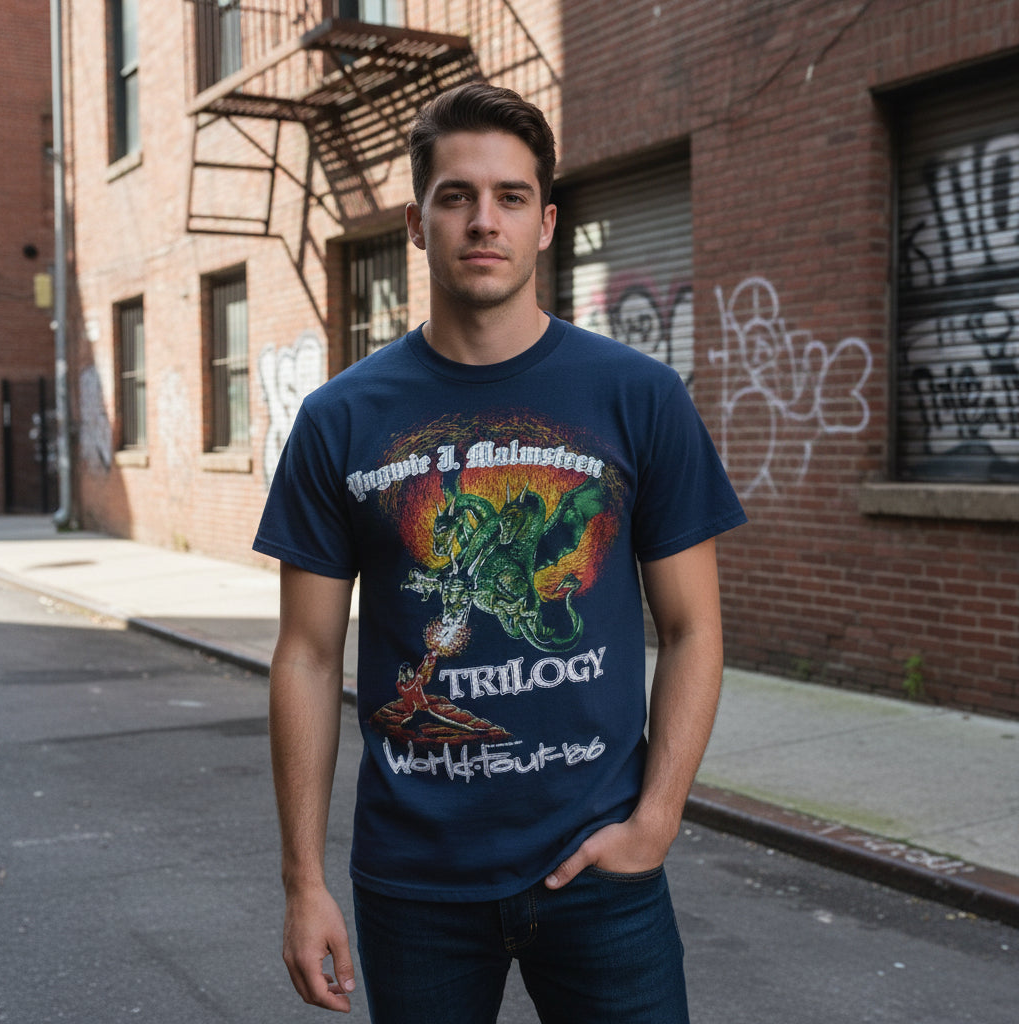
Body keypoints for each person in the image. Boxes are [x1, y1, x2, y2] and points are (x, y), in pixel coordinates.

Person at [253, 81, 746, 1023]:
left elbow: (692, 629)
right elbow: (307, 655)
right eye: (457, 196)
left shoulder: (638, 398)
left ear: (547, 221)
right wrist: (301, 881)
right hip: (414, 884)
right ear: (416, 220)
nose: (485, 221)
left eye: (511, 197)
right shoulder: (339, 420)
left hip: (604, 873)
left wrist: (655, 823)